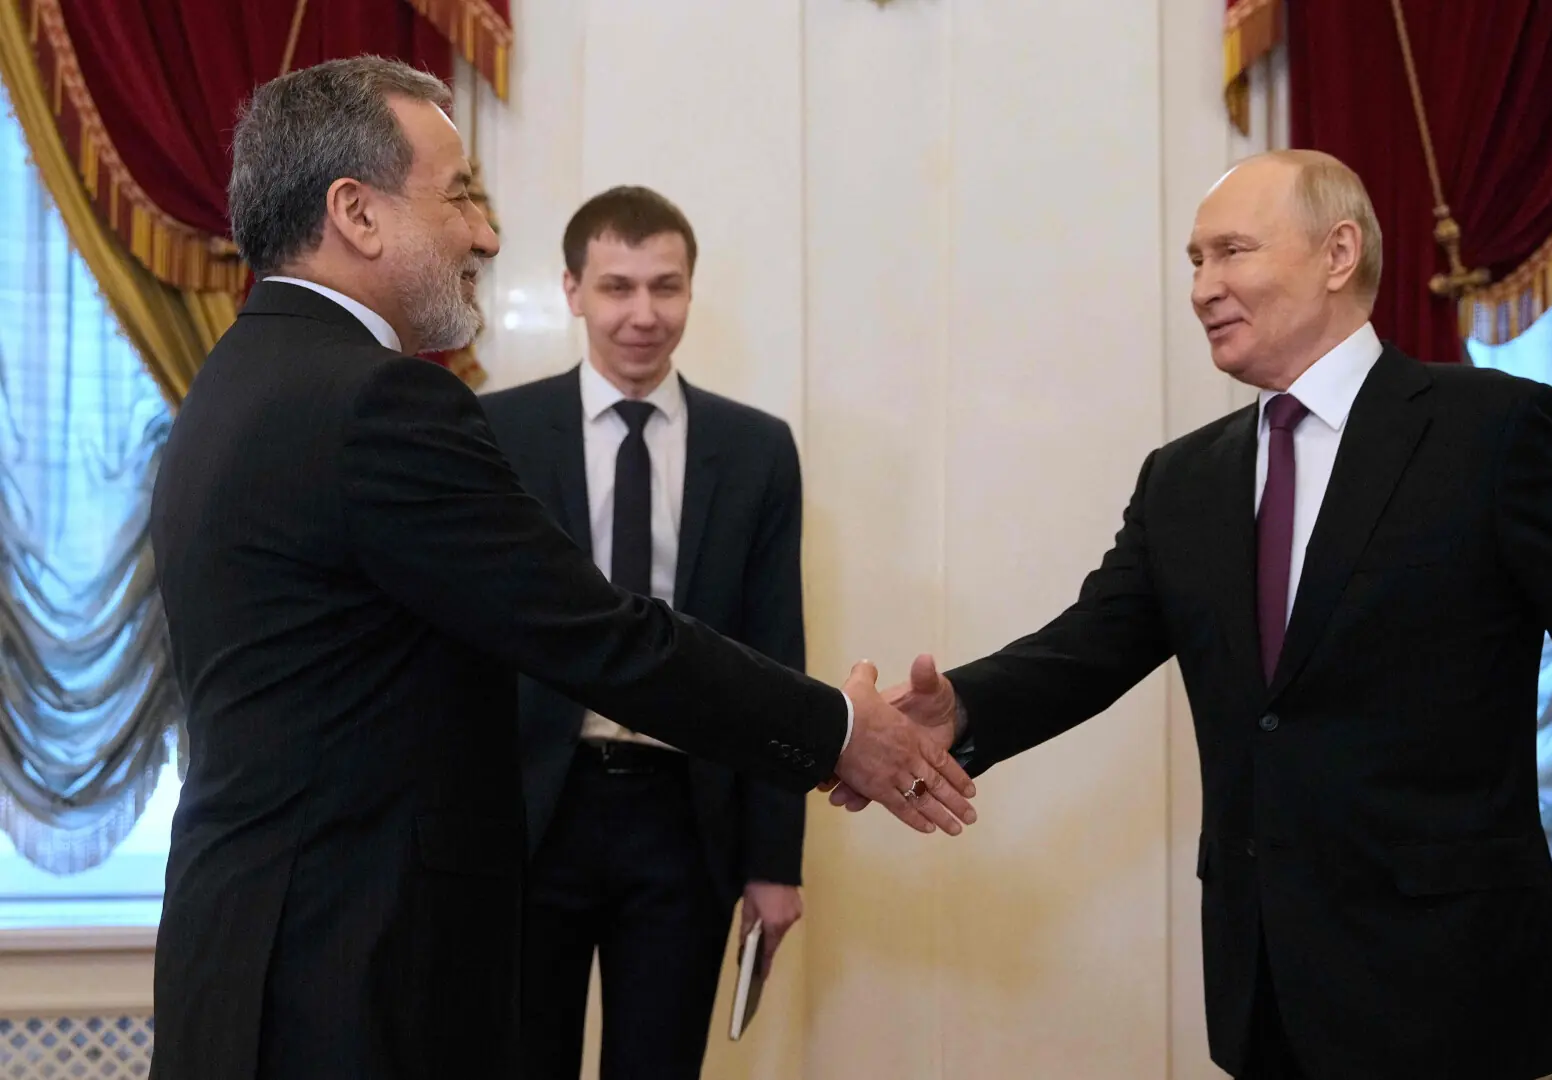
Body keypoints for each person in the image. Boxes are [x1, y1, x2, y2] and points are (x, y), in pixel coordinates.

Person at [836, 149, 1552, 1079]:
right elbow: (1089, 647)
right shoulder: (1183, 479)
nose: (1202, 285)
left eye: (1232, 252)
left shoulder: (1494, 433)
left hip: (1448, 978)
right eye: (1194, 260)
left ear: (1339, 255)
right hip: (1267, 985)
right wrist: (958, 711)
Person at [148, 57, 975, 1080]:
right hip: (347, 972)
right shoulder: (378, 405)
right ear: (356, 213)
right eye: (457, 195)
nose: (486, 236)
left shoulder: (236, 380)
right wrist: (839, 733)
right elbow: (600, 634)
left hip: (250, 949)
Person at [481, 186, 811, 1078]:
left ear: (692, 292)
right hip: (528, 818)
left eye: (664, 287)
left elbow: (776, 654)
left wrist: (775, 860)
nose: (642, 314)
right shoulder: (495, 434)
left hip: (684, 820)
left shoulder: (756, 450)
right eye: (617, 287)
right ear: (571, 290)